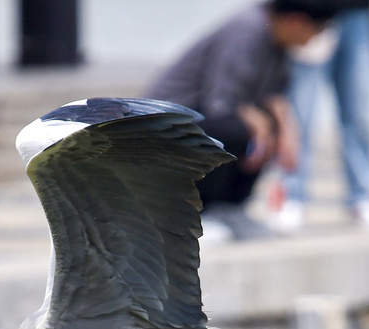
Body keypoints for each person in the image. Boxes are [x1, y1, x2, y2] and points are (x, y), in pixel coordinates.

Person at [145, 0, 340, 241]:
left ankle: (231, 208)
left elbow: (274, 94)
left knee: (267, 132)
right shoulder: (247, 30)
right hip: (170, 123)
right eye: (317, 29)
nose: (315, 38)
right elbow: (219, 102)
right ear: (295, 21)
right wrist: (259, 124)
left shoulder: (278, 41)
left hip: (212, 114)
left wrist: (287, 133)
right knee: (236, 132)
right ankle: (204, 211)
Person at [273, 0, 369, 232]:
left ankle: (362, 197)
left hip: (357, 14)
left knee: (358, 114)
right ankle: (292, 196)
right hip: (308, 12)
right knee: (300, 114)